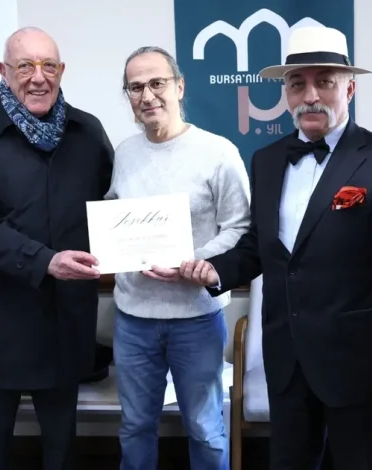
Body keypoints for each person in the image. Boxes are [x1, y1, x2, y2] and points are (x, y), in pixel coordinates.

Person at [180, 26, 372, 469]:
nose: (310, 96)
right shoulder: (267, 159)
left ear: (349, 89)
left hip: (359, 367)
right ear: (286, 94)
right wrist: (213, 269)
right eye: (297, 84)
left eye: (325, 82)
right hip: (286, 360)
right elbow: (260, 246)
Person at [0, 27, 113, 469]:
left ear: (61, 71)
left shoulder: (87, 131)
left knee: (62, 447)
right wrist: (46, 261)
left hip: (65, 320)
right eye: (25, 66)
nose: (39, 77)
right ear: (4, 71)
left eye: (48, 66)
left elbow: (108, 204)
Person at [106, 46, 251, 470]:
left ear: (179, 86)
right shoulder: (125, 153)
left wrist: (192, 262)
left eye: (157, 83)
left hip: (196, 318)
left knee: (205, 429)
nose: (147, 95)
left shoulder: (218, 152)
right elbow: (115, 212)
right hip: (133, 319)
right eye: (136, 87)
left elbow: (240, 228)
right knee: (135, 427)